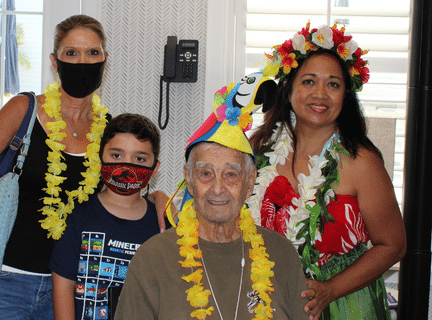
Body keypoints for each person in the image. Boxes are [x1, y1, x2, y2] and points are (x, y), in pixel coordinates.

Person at [0, 14, 110, 319]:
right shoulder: (24, 109)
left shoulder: (108, 129)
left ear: (105, 59)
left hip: (68, 286)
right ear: (54, 61)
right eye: (71, 53)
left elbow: (112, 199)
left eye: (93, 53)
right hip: (5, 279)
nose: (82, 62)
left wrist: (153, 199)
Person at [247, 22, 406, 320]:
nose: (320, 94)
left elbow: (393, 246)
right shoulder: (260, 147)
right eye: (309, 81)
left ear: (345, 95)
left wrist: (330, 289)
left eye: (333, 84)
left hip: (344, 304)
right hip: (268, 298)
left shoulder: (362, 162)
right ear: (289, 88)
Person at [114, 84, 309, 320]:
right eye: (206, 173)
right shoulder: (152, 259)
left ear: (250, 182)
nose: (217, 189)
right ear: (189, 179)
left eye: (231, 174)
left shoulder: (282, 254)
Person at [50, 113, 162, 320]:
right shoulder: (78, 216)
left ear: (155, 168)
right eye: (117, 155)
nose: (127, 165)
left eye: (139, 158)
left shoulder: (162, 224)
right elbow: (63, 287)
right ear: (100, 157)